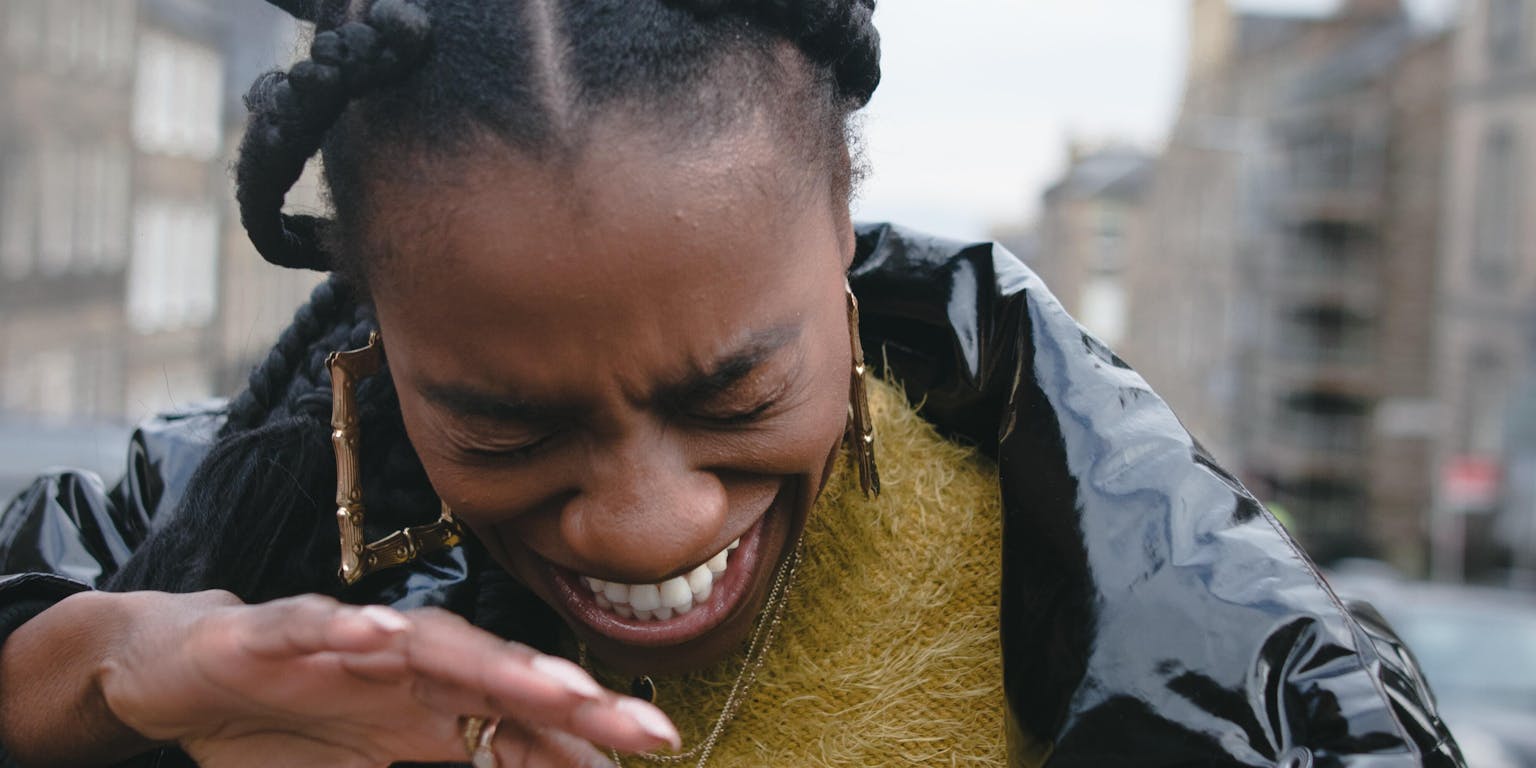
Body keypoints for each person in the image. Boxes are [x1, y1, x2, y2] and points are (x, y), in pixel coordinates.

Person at [0, 1, 1464, 766]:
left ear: (843, 231)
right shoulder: (197, 530)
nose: (647, 525)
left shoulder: (1206, 637)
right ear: (374, 325)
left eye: (735, 396)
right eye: (503, 427)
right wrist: (94, 683)